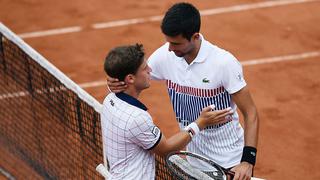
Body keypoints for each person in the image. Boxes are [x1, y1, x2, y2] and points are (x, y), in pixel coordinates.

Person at [107, 3, 259, 180]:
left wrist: (248, 161)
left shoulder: (223, 63)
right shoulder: (166, 55)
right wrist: (114, 82)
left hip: (229, 163)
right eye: (168, 42)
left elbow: (251, 113)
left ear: (195, 37)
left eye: (176, 43)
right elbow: (134, 75)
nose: (170, 48)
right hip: (194, 162)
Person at [101, 44, 233, 180]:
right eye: (145, 68)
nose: (150, 70)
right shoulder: (136, 118)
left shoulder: (109, 99)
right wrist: (200, 123)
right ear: (130, 79)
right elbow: (167, 150)